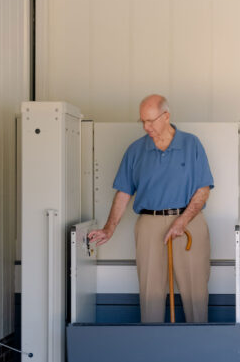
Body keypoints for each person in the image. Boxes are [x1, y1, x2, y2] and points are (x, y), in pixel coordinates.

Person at [88, 94, 214, 323]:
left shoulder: (191, 144)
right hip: (149, 223)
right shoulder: (136, 150)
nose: (147, 127)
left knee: (196, 291)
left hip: (189, 223)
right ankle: (153, 349)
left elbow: (203, 190)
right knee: (150, 292)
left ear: (166, 116)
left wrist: (182, 222)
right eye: (142, 121)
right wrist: (109, 229)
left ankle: (197, 348)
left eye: (151, 121)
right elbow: (124, 192)